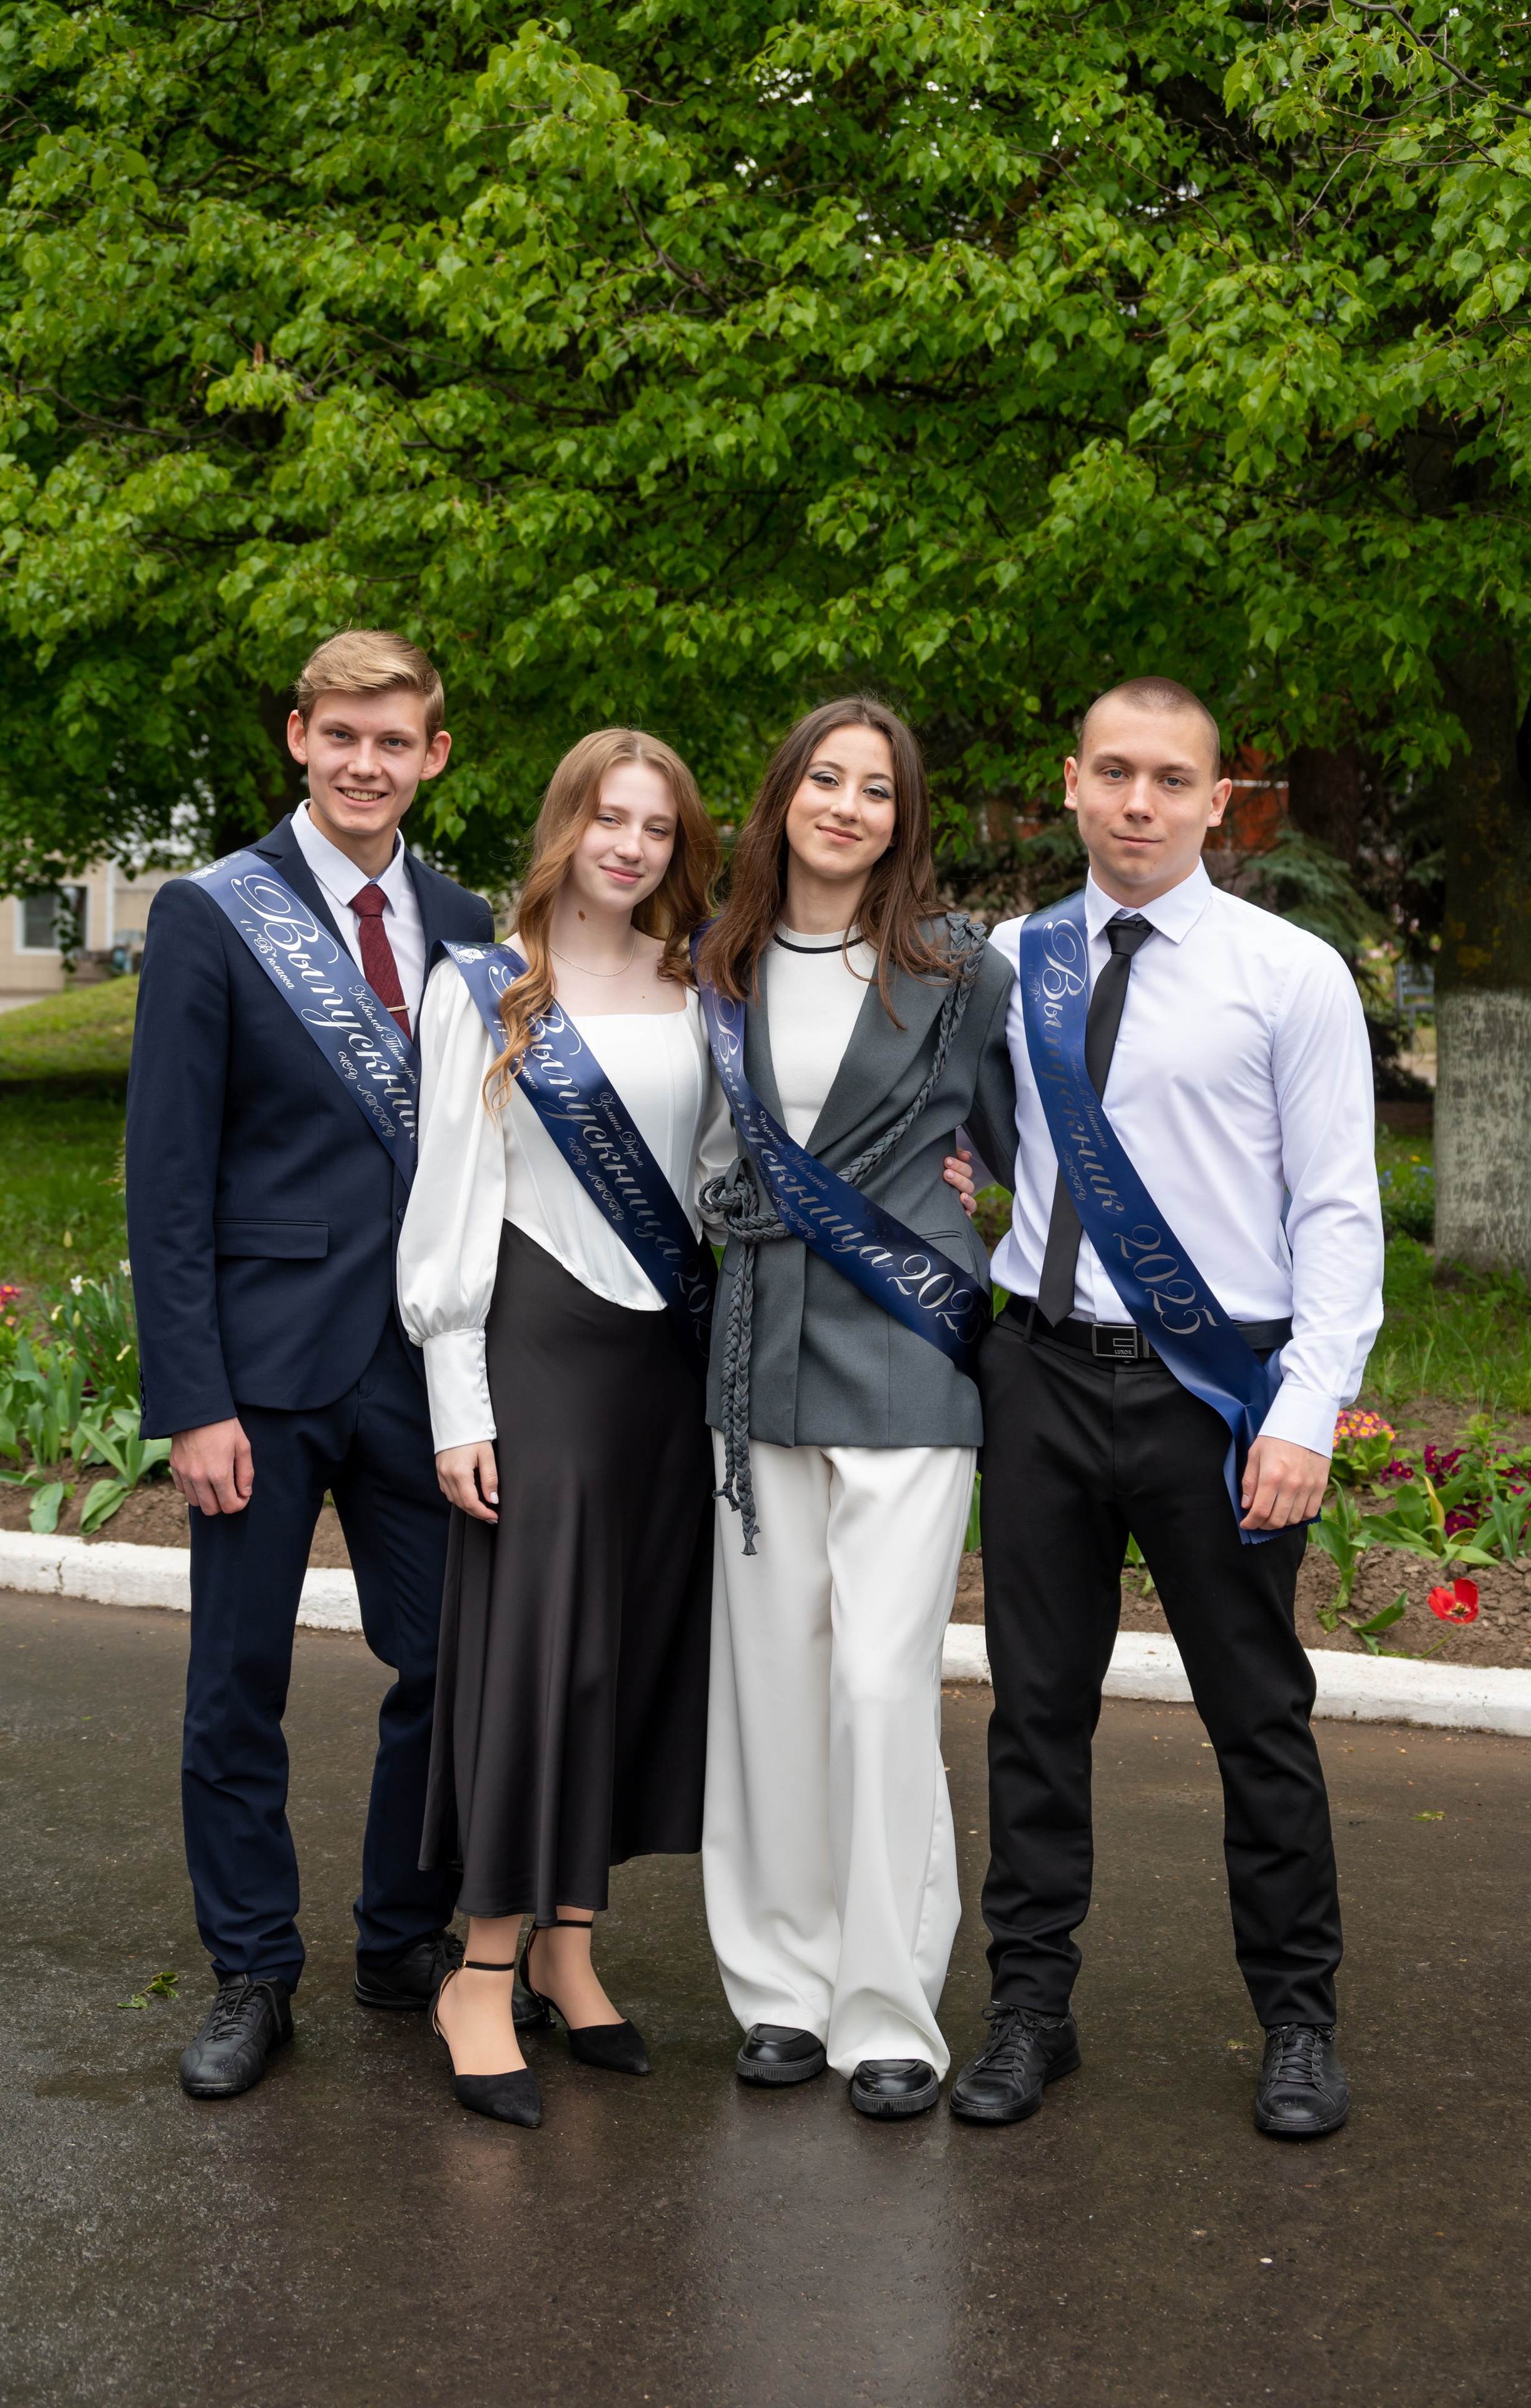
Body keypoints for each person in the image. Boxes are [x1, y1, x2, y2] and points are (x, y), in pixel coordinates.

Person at [951, 676, 1383, 2140]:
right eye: (1113, 773)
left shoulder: (1290, 973)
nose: (1138, 803)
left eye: (1170, 780)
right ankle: (1026, 2011)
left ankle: (1297, 2022)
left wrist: (1306, 1409)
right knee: (1034, 1712)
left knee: (1255, 1717)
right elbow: (969, 1143)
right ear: (1069, 782)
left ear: (1218, 803)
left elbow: (1336, 1211)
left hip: (1219, 1389)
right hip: (1043, 1372)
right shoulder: (1010, 964)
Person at [128, 629, 522, 2101]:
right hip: (263, 1374)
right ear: (299, 737)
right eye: (340, 735)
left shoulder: (473, 921)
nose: (367, 763)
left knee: (445, 1666)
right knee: (238, 1682)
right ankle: (249, 1970)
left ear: (433, 753)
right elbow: (166, 1176)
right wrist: (193, 1398)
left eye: (395, 740)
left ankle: (396, 1934)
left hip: (418, 1371)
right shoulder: (212, 913)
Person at [394, 728, 732, 2129]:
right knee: (535, 1655)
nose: (632, 845)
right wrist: (457, 1404)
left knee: (631, 1651)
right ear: (565, 824)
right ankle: (478, 1968)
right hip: (537, 1343)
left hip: (667, 1356)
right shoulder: (486, 985)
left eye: (657, 825)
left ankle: (571, 1949)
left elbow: (717, 1173)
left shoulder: (701, 981)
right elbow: (450, 1203)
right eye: (610, 817)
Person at [693, 695, 1018, 2121]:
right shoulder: (716, 964)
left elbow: (1032, 1151)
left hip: (903, 1353)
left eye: (873, 789)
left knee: (881, 1691)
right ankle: (776, 1987)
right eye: (822, 778)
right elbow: (692, 1150)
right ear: (782, 796)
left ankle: (885, 2006)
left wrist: (980, 1208)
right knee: (766, 1690)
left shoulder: (962, 971)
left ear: (903, 818)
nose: (844, 805)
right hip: (756, 1350)